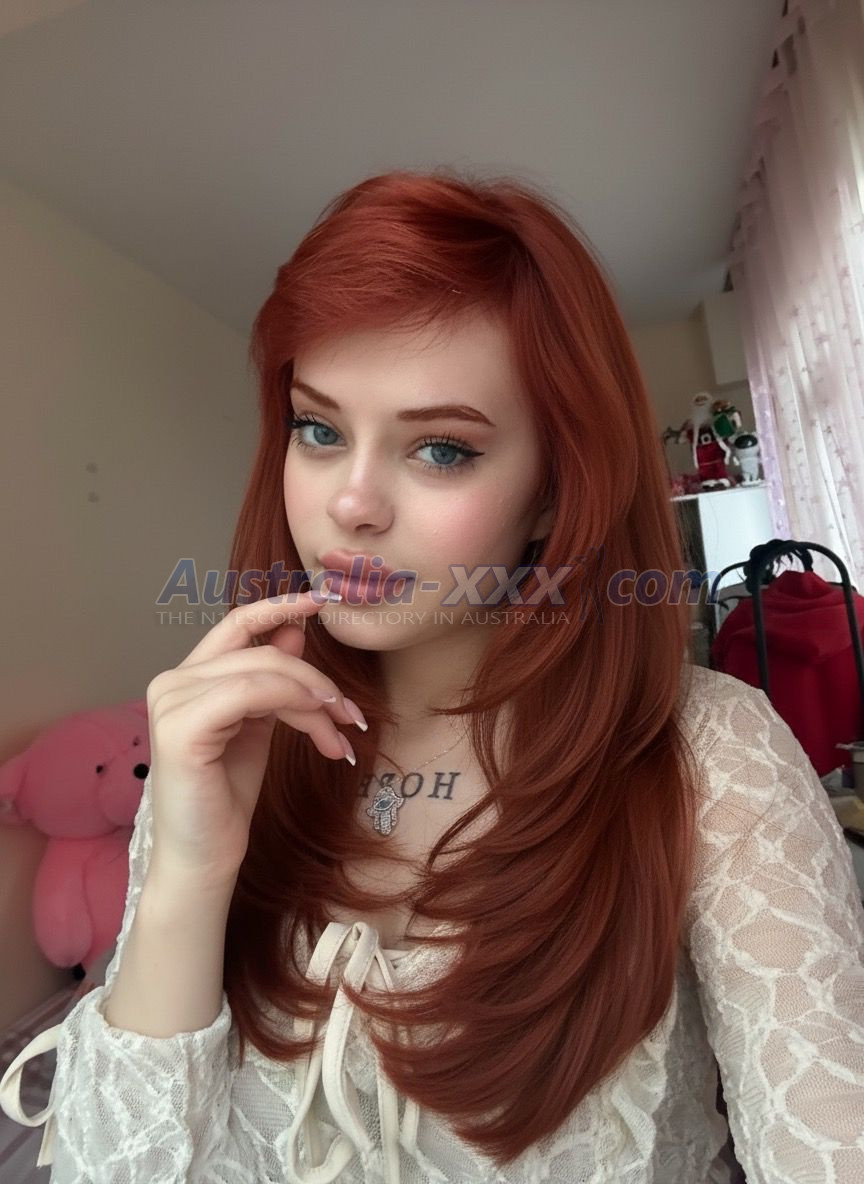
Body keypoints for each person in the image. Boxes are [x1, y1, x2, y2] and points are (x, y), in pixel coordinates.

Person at [2, 168, 863, 1183]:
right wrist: (187, 872)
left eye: (442, 449)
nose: (351, 503)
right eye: (319, 429)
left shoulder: (712, 757)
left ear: (555, 492)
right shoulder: (231, 742)